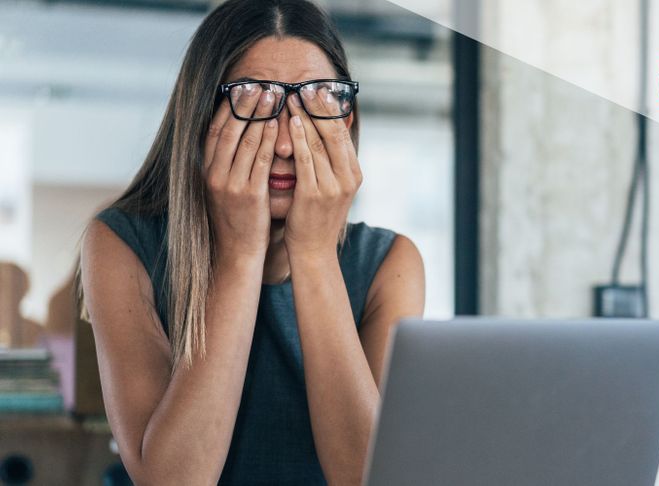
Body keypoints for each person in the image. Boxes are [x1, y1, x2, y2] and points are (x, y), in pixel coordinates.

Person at [75, 0, 426, 484]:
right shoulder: (121, 244)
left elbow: (365, 477)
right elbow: (175, 479)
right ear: (201, 120)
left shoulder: (390, 263)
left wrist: (314, 253)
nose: (284, 145)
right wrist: (241, 254)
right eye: (254, 103)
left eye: (315, 102)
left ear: (344, 123)